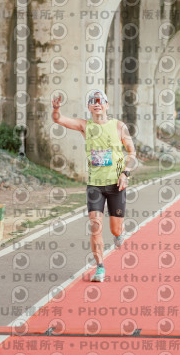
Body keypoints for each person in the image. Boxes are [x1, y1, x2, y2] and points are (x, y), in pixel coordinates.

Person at [52, 89, 136, 282]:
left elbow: (132, 153)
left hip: (116, 185)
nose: (97, 103)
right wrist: (56, 108)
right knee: (95, 226)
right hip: (95, 186)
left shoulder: (119, 126)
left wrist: (125, 173)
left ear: (107, 105)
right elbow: (59, 119)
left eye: (100, 100)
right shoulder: (85, 126)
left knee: (115, 229)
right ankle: (100, 267)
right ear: (89, 107)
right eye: (93, 101)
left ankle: (119, 233)